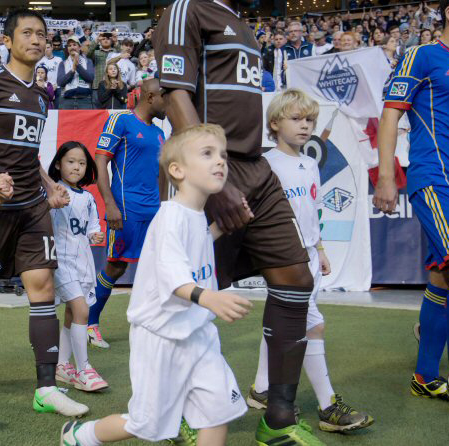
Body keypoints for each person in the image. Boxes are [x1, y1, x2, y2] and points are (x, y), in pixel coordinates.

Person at [154, 0, 324, 444]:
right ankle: (185, 416)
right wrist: (208, 167)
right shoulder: (186, 9)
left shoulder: (243, 23)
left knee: (296, 280)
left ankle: (279, 419)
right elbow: (175, 93)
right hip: (208, 170)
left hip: (256, 168)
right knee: (186, 299)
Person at [60, 124, 252, 446]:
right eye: (207, 154)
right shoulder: (169, 217)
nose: (220, 161)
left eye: (223, 155)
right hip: (161, 336)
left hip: (198, 333)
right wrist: (209, 299)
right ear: (177, 170)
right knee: (146, 424)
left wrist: (222, 226)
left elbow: (197, 244)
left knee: (219, 412)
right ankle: (80, 436)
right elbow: (173, 277)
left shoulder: (196, 215)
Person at [0, 8, 88, 417]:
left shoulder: (42, 96)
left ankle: (45, 388)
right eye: (27, 33)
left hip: (33, 207)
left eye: (41, 34)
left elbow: (31, 156)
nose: (36, 39)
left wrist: (51, 187)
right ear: (8, 41)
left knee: (43, 289)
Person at [249, 89, 375, 433]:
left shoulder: (309, 164)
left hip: (307, 256)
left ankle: (261, 387)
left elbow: (311, 212)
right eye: (296, 119)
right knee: (312, 324)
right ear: (274, 123)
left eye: (309, 120)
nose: (304, 126)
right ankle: (328, 406)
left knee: (284, 321)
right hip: (284, 259)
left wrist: (318, 250)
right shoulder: (266, 164)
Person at [374, 0, 449, 410]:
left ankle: (425, 377)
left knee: (444, 278)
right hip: (435, 178)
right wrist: (388, 177)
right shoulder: (421, 56)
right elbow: (391, 115)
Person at [87, 78, 166, 348]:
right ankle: (90, 322)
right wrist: (109, 204)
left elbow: (161, 175)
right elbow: (100, 160)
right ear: (151, 97)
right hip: (125, 208)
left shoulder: (158, 133)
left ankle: (150, 325)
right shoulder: (121, 121)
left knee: (155, 268)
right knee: (116, 265)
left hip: (153, 210)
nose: (169, 104)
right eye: (165, 98)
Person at [47, 141, 109, 392]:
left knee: (73, 314)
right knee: (81, 310)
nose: (76, 167)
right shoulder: (53, 191)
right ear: (59, 163)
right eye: (71, 162)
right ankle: (84, 369)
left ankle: (63, 365)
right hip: (61, 261)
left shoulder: (89, 197)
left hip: (84, 262)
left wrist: (96, 235)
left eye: (82, 163)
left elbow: (93, 226)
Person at [57, 35, 95, 110]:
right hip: (67, 100)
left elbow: (90, 78)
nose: (72, 47)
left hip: (85, 100)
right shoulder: (63, 63)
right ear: (67, 49)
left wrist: (77, 65)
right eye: (69, 45)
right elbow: (60, 82)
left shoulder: (88, 61)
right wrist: (72, 71)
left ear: (80, 47)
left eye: (74, 45)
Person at [88, 33, 117, 106]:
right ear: (100, 41)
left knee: (111, 111)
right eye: (103, 39)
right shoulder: (96, 52)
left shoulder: (116, 52)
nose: (106, 40)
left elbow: (124, 54)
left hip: (113, 86)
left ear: (111, 41)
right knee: (96, 112)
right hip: (97, 85)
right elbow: (88, 55)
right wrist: (97, 40)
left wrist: (116, 42)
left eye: (108, 38)